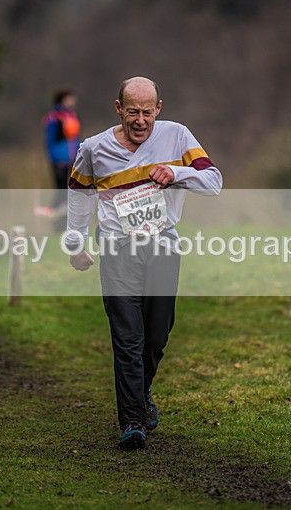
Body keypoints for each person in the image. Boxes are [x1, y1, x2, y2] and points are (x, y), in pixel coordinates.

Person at [65, 77, 222, 450]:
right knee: (127, 337)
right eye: (132, 111)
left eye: (147, 112)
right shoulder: (94, 148)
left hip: (162, 243)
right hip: (117, 247)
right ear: (118, 108)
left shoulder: (178, 137)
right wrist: (75, 243)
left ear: (159, 109)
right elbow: (80, 194)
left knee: (156, 333)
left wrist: (176, 174)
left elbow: (213, 181)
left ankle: (142, 390)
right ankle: (132, 420)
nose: (140, 120)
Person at [40, 89, 82, 227]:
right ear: (62, 100)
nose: (72, 101)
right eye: (70, 99)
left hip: (73, 158)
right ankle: (56, 222)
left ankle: (69, 221)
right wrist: (55, 158)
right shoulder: (53, 118)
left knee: (72, 189)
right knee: (61, 190)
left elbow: (76, 138)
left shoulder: (72, 115)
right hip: (59, 158)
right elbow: (50, 140)